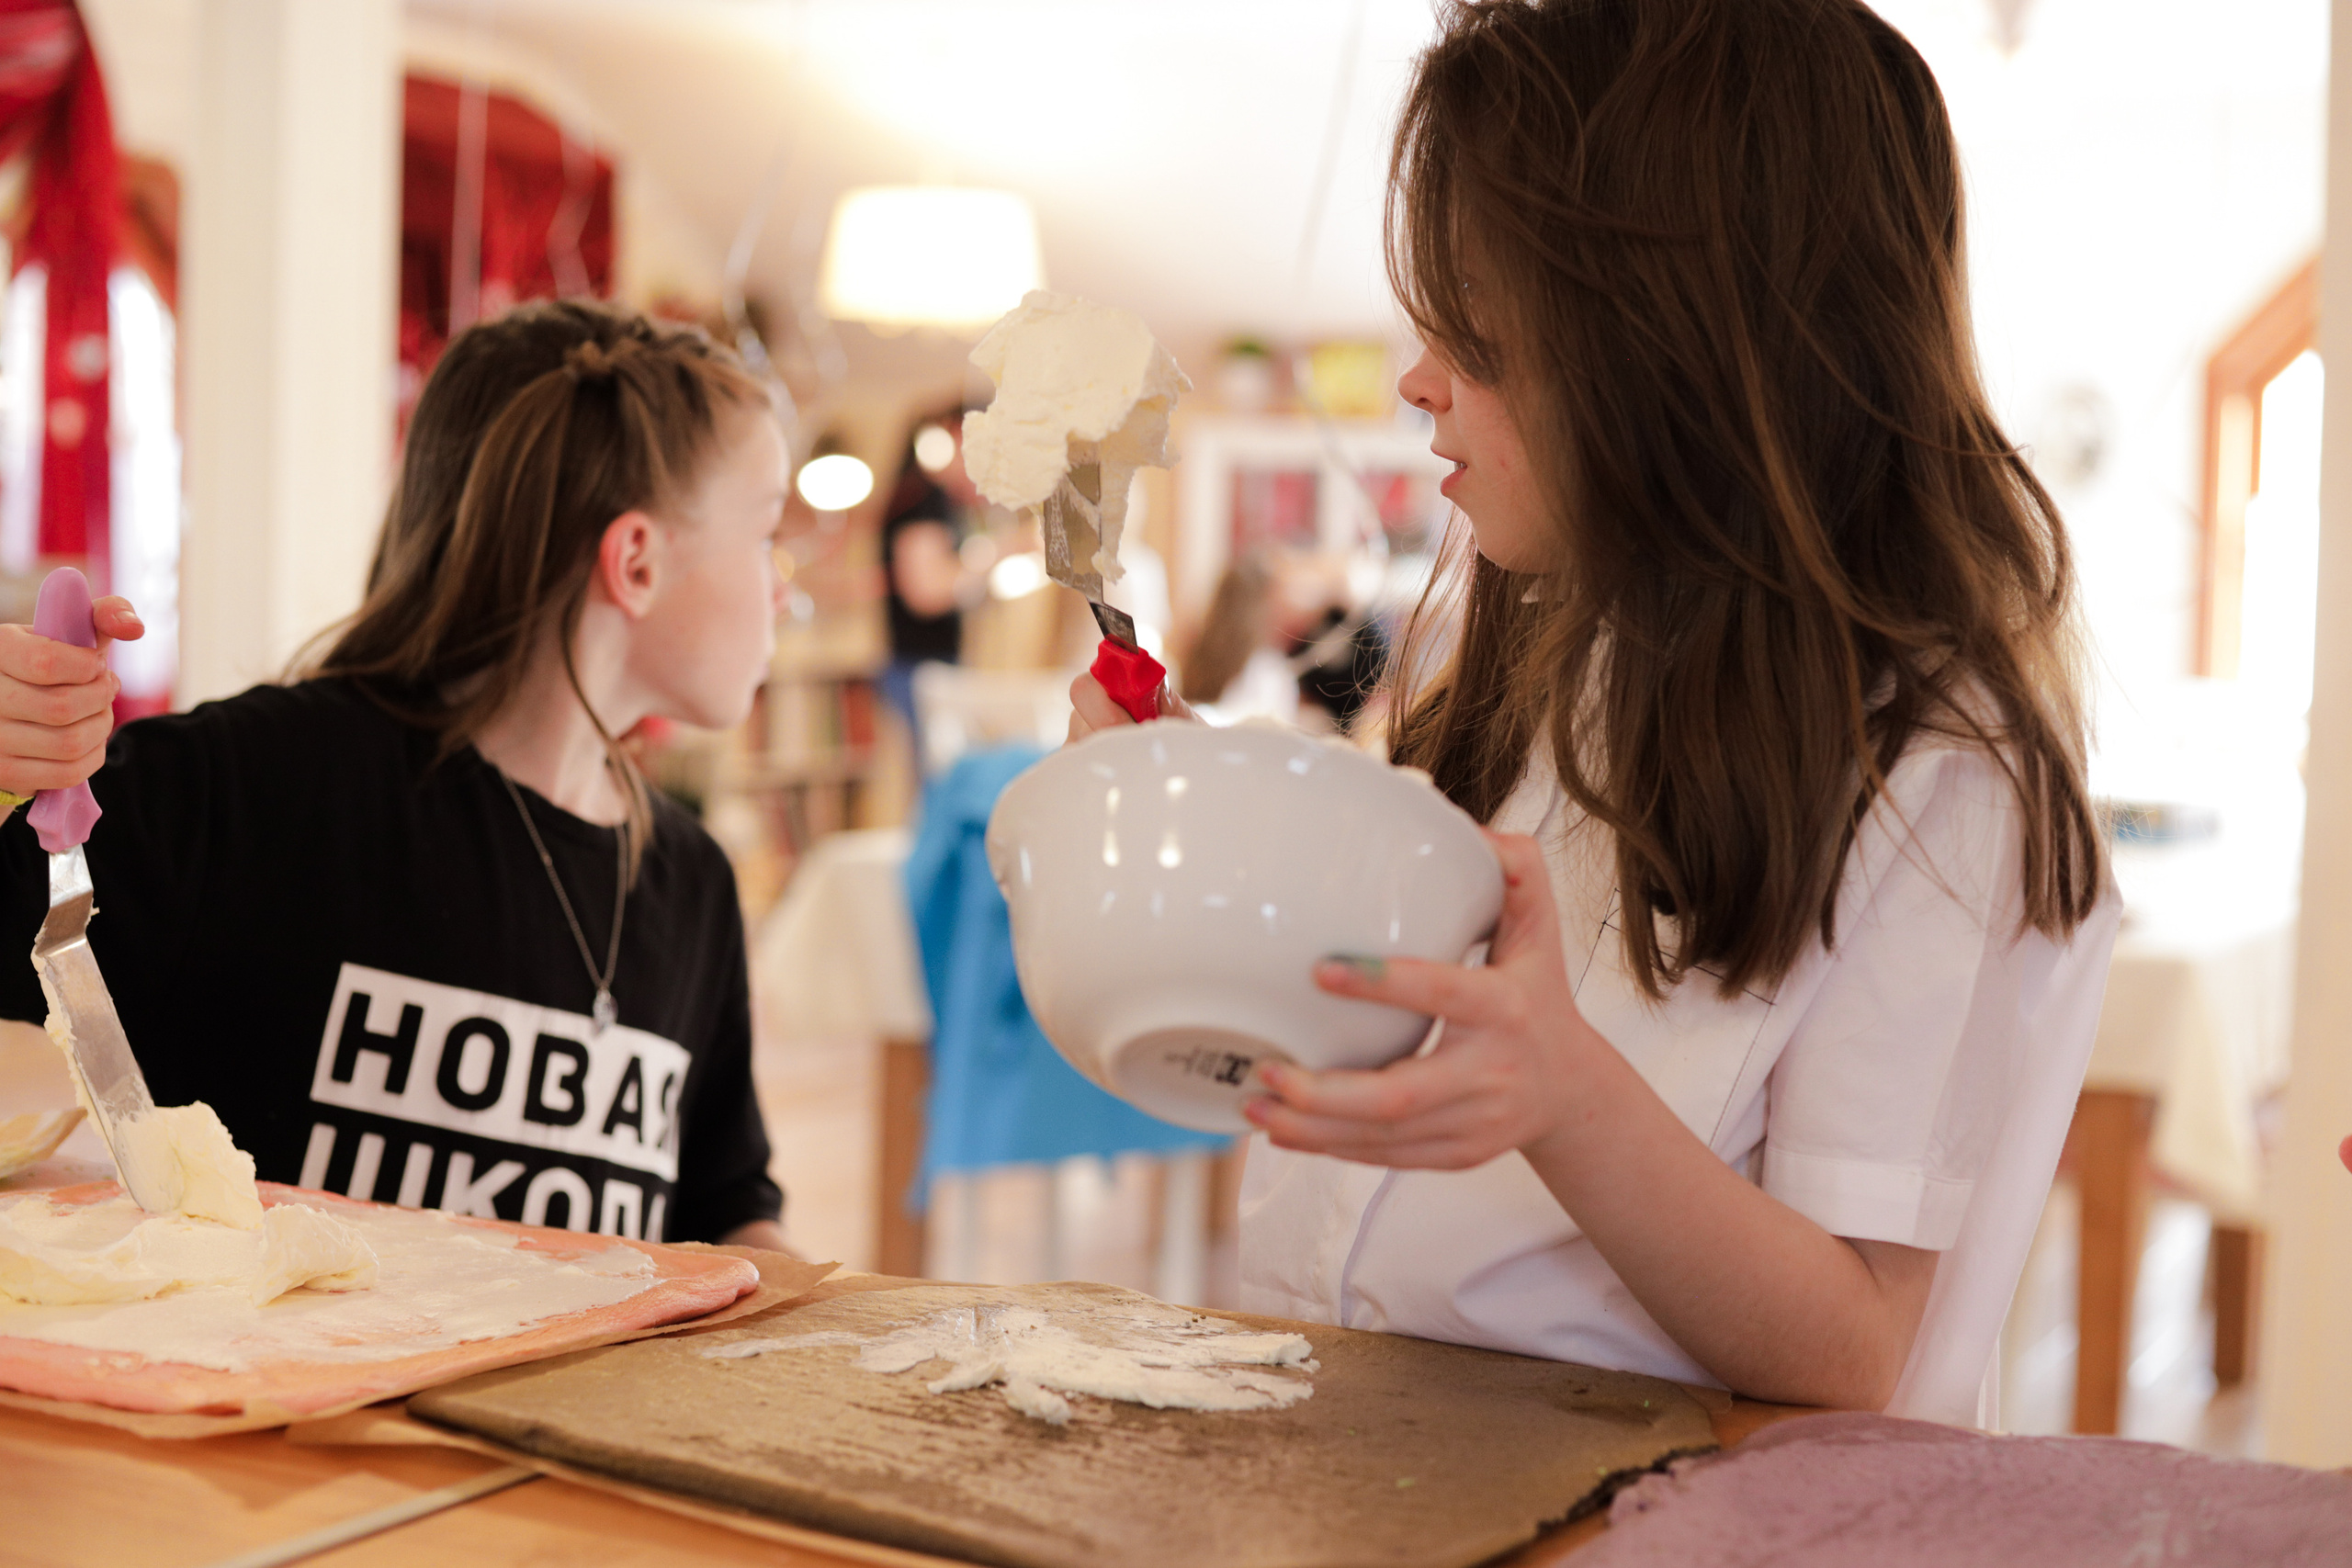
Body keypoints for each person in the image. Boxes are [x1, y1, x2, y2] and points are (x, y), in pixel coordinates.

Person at [1068, 0, 2117, 1415]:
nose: (1418, 378)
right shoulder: (1566, 661)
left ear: (1681, 344)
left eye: (1478, 327)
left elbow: (1857, 1345)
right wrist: (1213, 833)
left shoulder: (1937, 773)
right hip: (1381, 1456)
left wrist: (1567, 1098)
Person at [0, 300, 790, 1249]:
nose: (783, 585)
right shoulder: (243, 795)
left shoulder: (691, 883)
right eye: (765, 534)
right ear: (635, 562)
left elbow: (726, 1212)